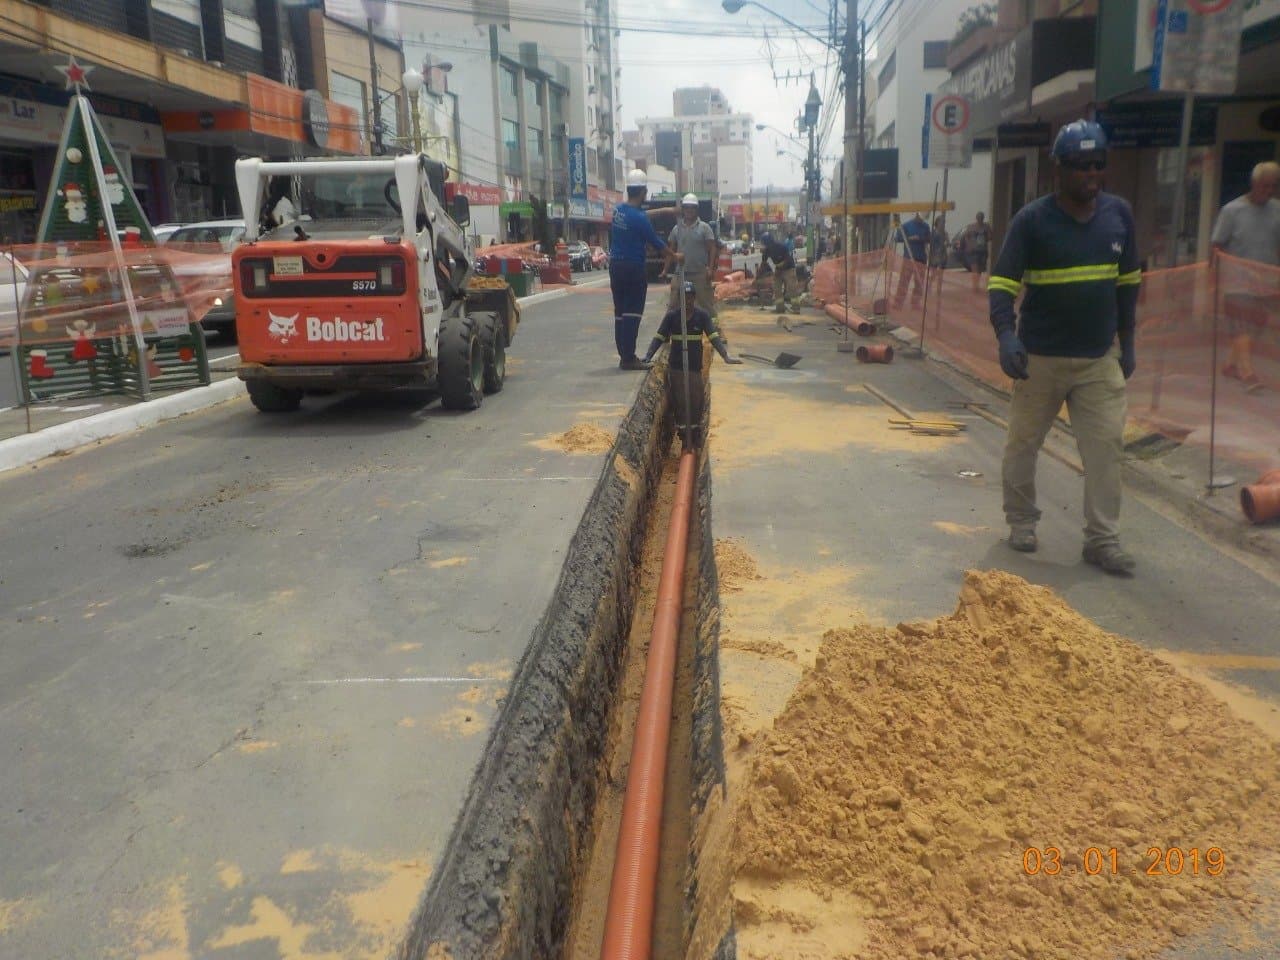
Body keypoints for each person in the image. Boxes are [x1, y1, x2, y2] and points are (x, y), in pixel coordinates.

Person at [988, 119, 1142, 575]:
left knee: (1105, 451)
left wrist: (1128, 343)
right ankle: (1021, 522)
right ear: (1059, 168)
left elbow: (1128, 284)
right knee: (1022, 445)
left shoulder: (1119, 217)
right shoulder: (1032, 221)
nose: (1090, 174)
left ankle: (1102, 539)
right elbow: (1000, 285)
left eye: (1098, 165)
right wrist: (1006, 334)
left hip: (1098, 358)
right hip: (1040, 358)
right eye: (1080, 166)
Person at [642, 280, 744, 447]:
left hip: (694, 368)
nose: (687, 301)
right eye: (684, 298)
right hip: (676, 368)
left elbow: (714, 337)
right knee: (680, 402)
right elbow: (659, 338)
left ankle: (695, 436)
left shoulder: (702, 316)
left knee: (696, 401)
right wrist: (648, 356)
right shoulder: (672, 317)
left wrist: (726, 356)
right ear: (679, 299)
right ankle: (683, 435)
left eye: (690, 298)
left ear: (694, 298)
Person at [1210, 160, 1280, 391]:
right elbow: (1217, 245)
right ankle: (1247, 373)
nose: (1268, 192)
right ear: (1254, 183)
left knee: (1256, 327)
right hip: (1236, 283)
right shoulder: (1232, 210)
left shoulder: (1277, 210)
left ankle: (1231, 364)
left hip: (1266, 284)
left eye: (1273, 186)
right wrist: (1214, 276)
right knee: (1241, 327)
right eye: (1264, 186)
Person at [609, 169, 678, 370]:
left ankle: (624, 355)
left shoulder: (618, 211)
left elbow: (640, 213)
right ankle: (629, 358)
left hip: (616, 267)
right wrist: (675, 256)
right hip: (633, 268)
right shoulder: (640, 220)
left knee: (620, 313)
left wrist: (666, 210)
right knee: (633, 313)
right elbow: (657, 244)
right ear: (643, 192)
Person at [665, 193, 717, 317]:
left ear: (696, 210)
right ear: (683, 209)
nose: (689, 210)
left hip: (699, 274)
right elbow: (669, 250)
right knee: (673, 305)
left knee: (706, 305)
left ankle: (717, 333)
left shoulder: (705, 228)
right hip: (680, 274)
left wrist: (710, 269)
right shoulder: (676, 229)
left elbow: (712, 249)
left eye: (692, 208)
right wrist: (665, 269)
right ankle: (664, 334)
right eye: (686, 207)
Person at [893, 212, 930, 308]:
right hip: (909, 258)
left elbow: (929, 239)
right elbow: (898, 238)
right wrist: (910, 238)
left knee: (919, 282)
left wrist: (920, 238)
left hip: (921, 258)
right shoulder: (906, 226)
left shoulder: (925, 226)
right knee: (904, 281)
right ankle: (898, 303)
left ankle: (915, 303)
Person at [759, 231, 798, 317]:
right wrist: (760, 273)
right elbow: (764, 262)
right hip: (779, 269)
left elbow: (788, 259)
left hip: (788, 268)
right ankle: (780, 308)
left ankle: (796, 307)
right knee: (776, 287)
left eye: (764, 243)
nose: (764, 245)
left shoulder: (781, 247)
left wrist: (782, 265)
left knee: (791, 287)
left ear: (768, 242)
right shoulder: (767, 250)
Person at [959, 211, 993, 291]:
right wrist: (969, 245)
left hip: (982, 250)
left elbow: (990, 237)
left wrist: (986, 236)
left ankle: (976, 283)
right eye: (979, 217)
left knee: (980, 269)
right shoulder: (971, 227)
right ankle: (975, 285)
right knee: (975, 268)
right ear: (976, 218)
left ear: (983, 218)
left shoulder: (986, 226)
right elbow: (965, 237)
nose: (980, 219)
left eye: (981, 217)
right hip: (973, 251)